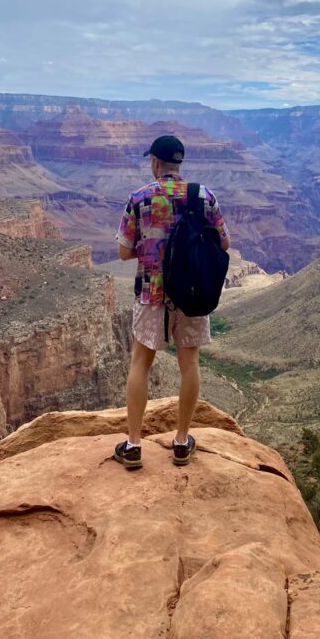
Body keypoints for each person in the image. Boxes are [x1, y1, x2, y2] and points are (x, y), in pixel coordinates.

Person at [114, 133, 230, 470]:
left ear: (155, 162)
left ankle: (134, 446)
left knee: (140, 363)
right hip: (192, 293)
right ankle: (181, 443)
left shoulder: (140, 198)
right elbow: (224, 243)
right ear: (179, 163)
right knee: (189, 363)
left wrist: (152, 245)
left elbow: (123, 252)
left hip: (152, 292)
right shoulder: (204, 196)